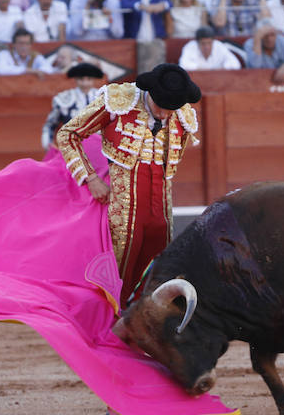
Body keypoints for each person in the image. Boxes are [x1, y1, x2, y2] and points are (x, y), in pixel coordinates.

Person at [56, 61, 201, 313]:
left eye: (172, 109)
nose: (166, 114)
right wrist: (91, 178)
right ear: (150, 93)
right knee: (118, 274)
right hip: (122, 208)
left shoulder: (181, 111)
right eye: (161, 107)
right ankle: (107, 328)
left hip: (161, 210)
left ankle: (150, 332)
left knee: (158, 275)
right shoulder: (118, 101)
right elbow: (67, 135)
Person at [41, 61, 103, 151]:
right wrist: (48, 145)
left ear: (93, 80)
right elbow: (50, 125)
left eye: (89, 79)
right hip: (73, 148)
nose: (85, 83)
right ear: (76, 79)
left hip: (100, 149)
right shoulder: (63, 98)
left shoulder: (103, 97)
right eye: (82, 79)